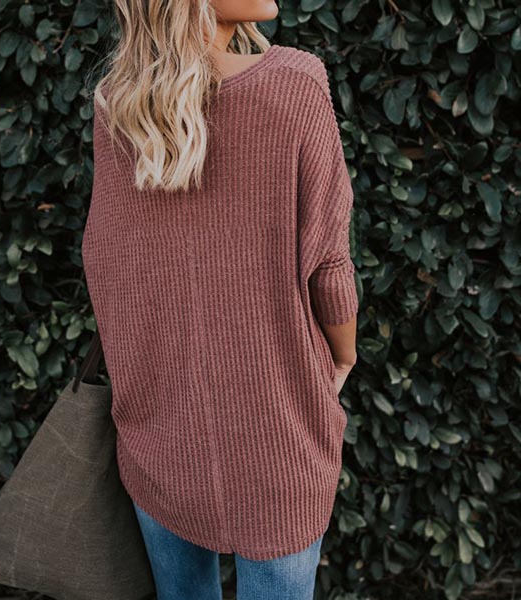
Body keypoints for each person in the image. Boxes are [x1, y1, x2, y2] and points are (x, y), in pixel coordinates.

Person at [81, 1, 358, 598]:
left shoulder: (118, 105)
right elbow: (328, 262)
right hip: (278, 427)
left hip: (157, 426)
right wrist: (343, 354)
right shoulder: (295, 83)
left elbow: (105, 261)